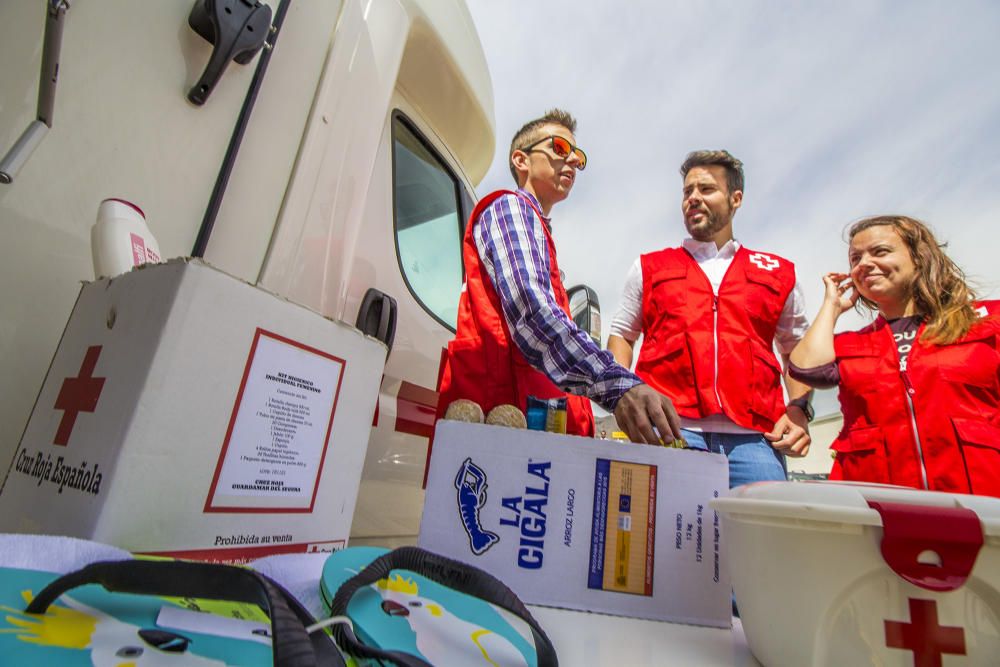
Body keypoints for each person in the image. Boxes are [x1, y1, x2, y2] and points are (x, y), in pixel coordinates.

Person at [436, 109, 683, 445]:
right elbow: (533, 312)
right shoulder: (511, 209)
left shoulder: (536, 228)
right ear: (521, 160)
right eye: (559, 149)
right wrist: (617, 385)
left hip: (523, 435)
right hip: (500, 428)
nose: (572, 163)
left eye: (578, 157)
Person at [607, 150, 813, 488]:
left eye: (706, 189)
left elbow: (797, 353)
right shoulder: (649, 267)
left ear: (736, 199)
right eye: (687, 192)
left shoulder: (777, 272)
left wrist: (800, 410)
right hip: (669, 431)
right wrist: (621, 394)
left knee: (756, 539)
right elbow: (621, 336)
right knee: (663, 539)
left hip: (756, 441)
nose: (693, 199)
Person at [789, 215, 1000, 495]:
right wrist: (833, 306)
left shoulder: (989, 321)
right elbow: (805, 369)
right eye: (855, 259)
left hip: (982, 505)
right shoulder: (851, 344)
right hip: (879, 514)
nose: (864, 264)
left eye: (880, 252)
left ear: (919, 257)